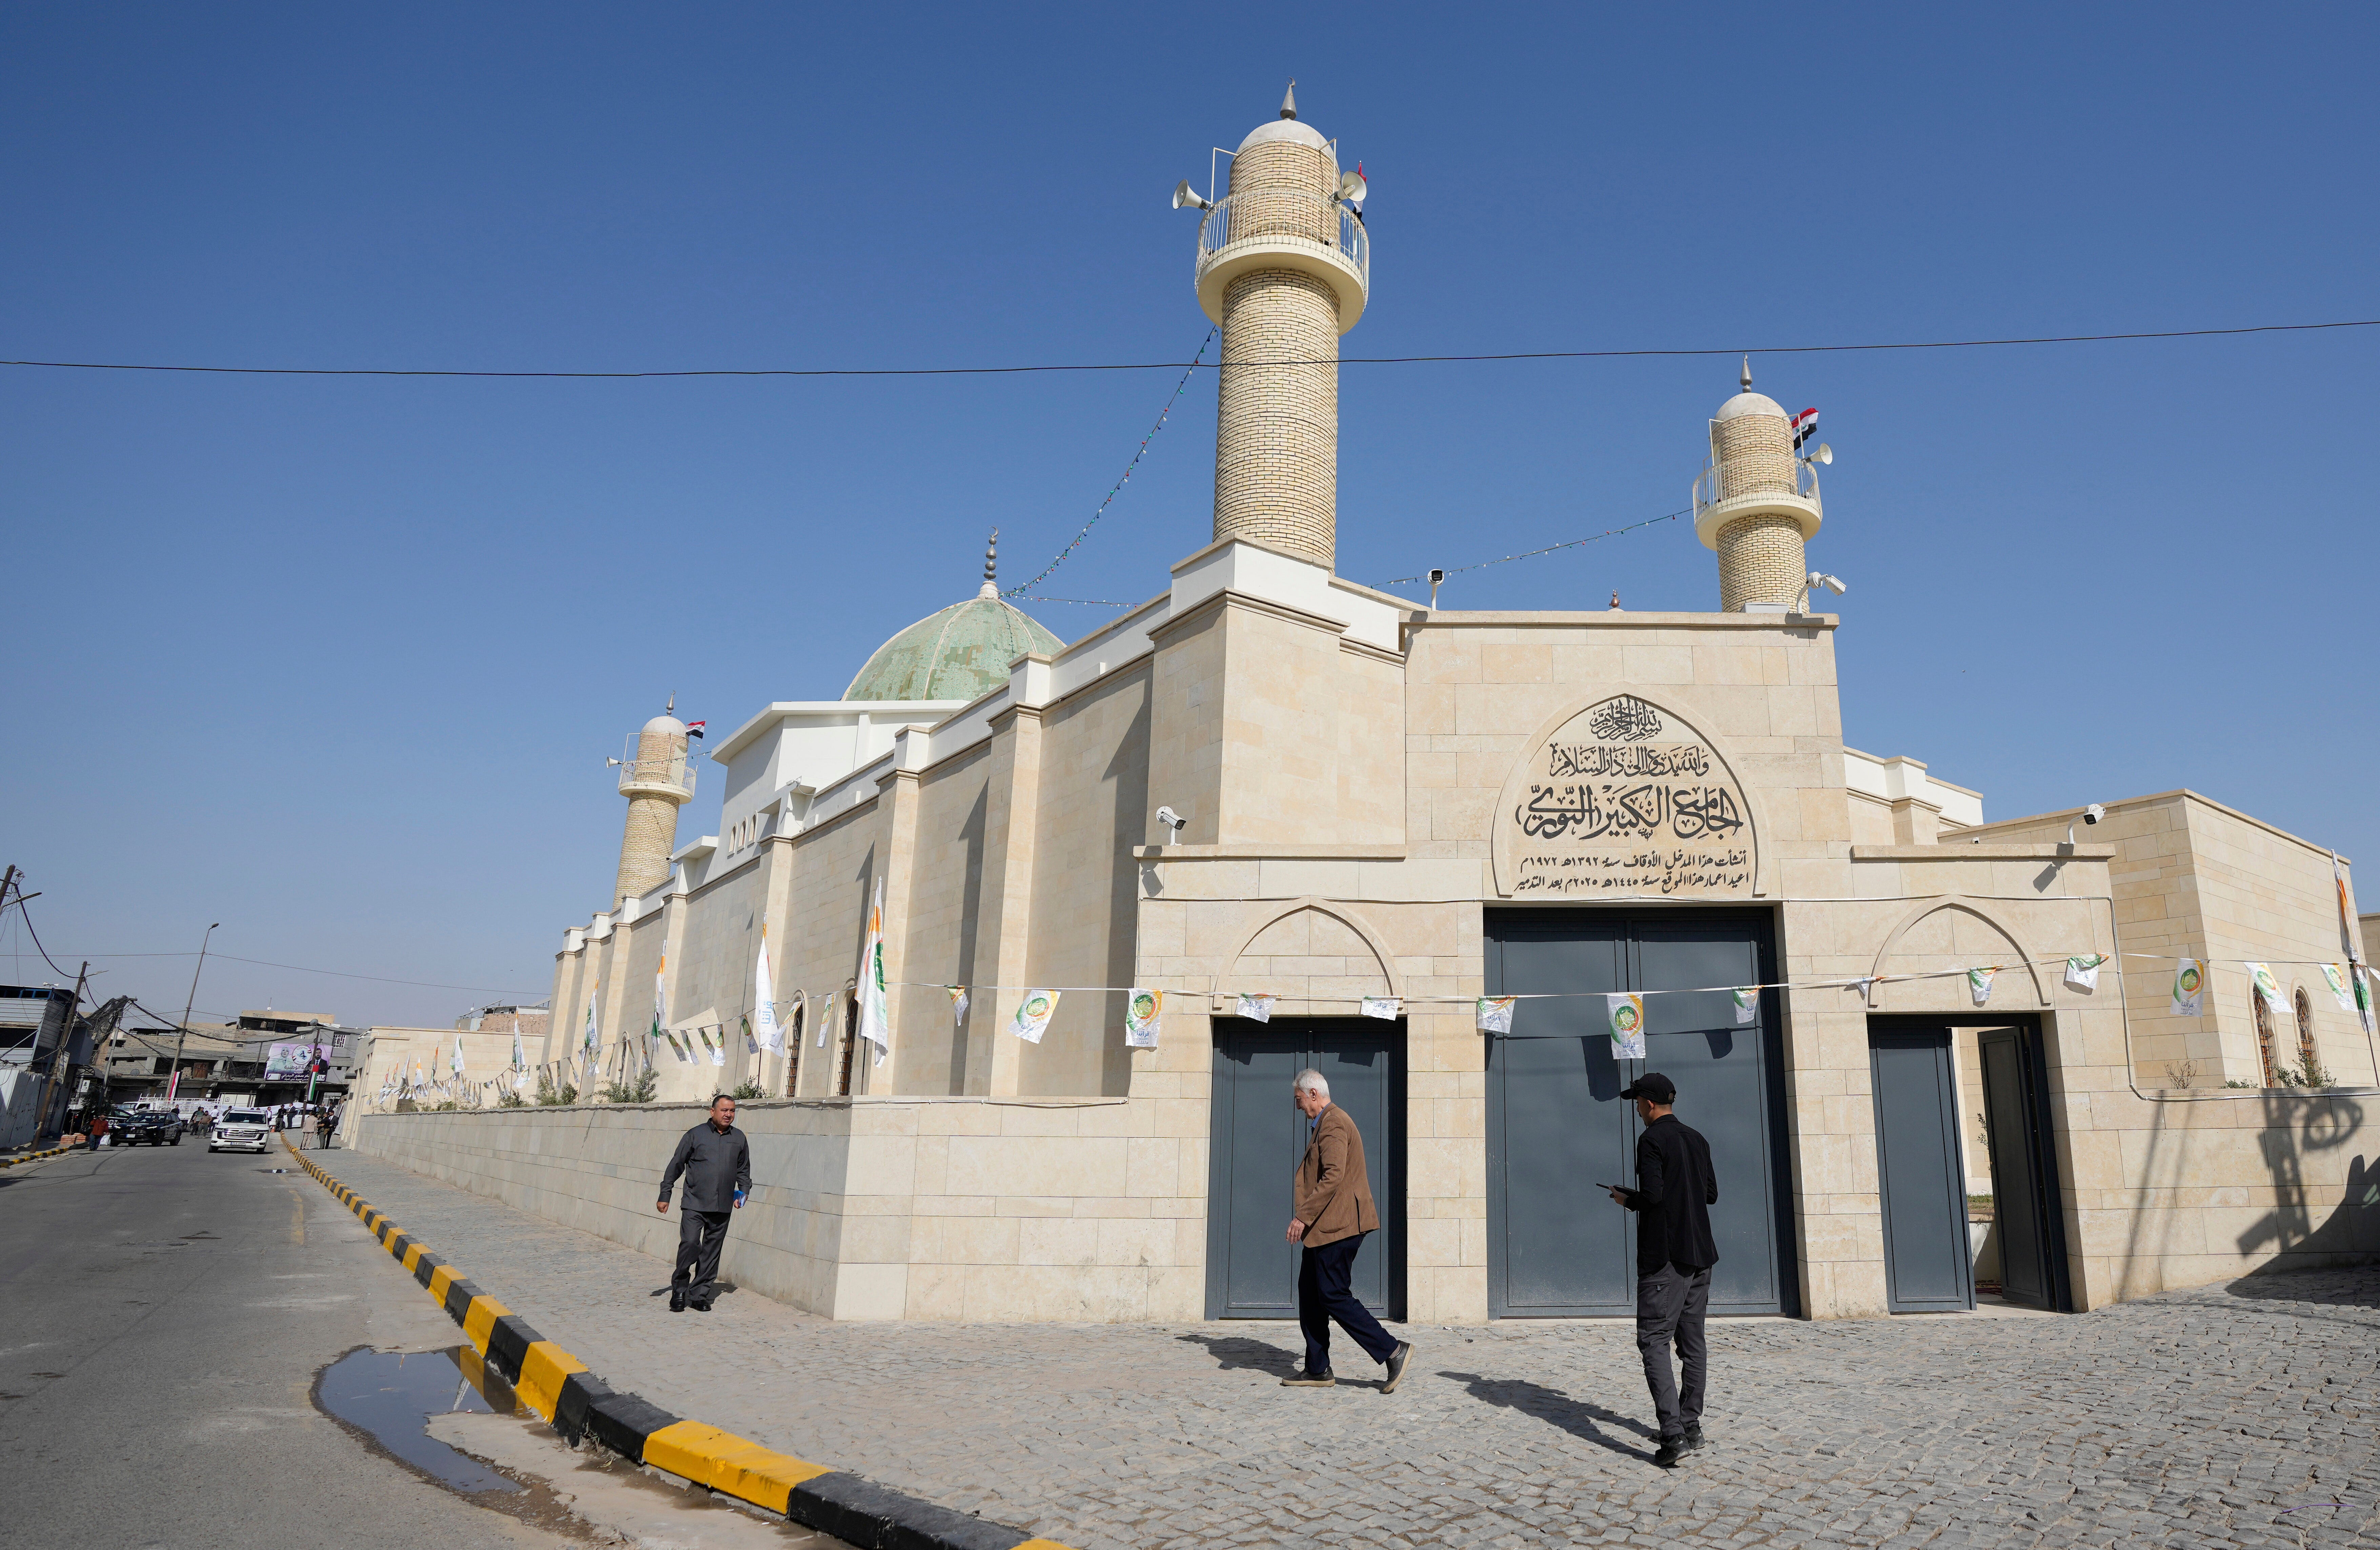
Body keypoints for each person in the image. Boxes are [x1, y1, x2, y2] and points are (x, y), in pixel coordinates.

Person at [1607, 1072, 1719, 1468]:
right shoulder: (1697, 1138)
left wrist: (1627, 1199)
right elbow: (1710, 1194)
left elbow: (1653, 1196)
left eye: (1637, 1102)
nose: (1636, 1109)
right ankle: (1691, 1426)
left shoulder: (1652, 1139)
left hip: (1667, 1257)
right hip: (1700, 1253)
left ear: (1650, 1103)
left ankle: (1673, 1436)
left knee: (1654, 1339)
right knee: (1693, 1343)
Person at [1280, 1069, 1411, 1392]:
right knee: (1311, 1293)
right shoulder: (1326, 1122)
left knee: (1333, 1294)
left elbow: (1334, 1175)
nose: (1298, 1107)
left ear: (1313, 1095)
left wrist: (1302, 1217)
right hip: (1327, 1227)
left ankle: (1393, 1351)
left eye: (1299, 1100)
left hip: (1338, 1225)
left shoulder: (1334, 1122)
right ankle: (1317, 1369)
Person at [656, 1094, 751, 1312]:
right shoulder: (695, 1135)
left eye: (733, 1111)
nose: (729, 1115)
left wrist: (743, 1192)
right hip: (694, 1203)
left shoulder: (739, 1138)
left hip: (723, 1205)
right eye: (725, 1110)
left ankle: (700, 1294)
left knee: (711, 1252)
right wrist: (665, 1194)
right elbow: (676, 1165)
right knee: (690, 1244)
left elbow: (743, 1169)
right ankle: (680, 1289)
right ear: (713, 1111)